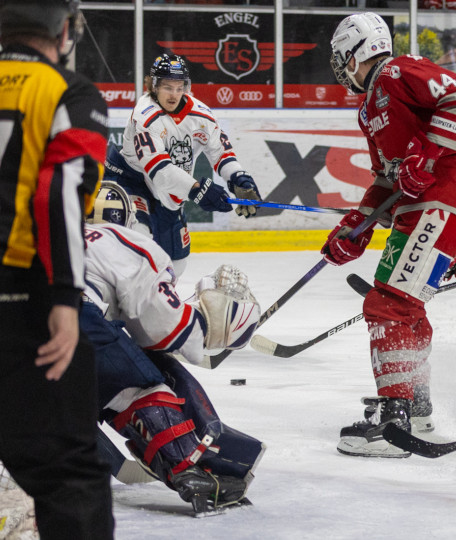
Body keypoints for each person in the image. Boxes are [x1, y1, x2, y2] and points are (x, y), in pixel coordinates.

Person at [324, 12, 456, 458]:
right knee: (404, 307)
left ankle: (395, 419)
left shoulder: (395, 72)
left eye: (342, 58)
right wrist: (355, 227)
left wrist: (427, 156)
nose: (340, 68)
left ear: (357, 51)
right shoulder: (368, 107)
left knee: (388, 305)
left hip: (444, 202)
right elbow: (385, 179)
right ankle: (415, 404)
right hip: (420, 210)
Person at [0, 1, 115, 538]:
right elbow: (58, 192)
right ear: (64, 29)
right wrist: (66, 300)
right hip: (22, 302)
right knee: (70, 475)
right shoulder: (67, 91)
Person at [83, 182, 265, 514]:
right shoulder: (126, 241)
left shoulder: (41, 230)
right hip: (64, 317)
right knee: (139, 384)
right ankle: (189, 469)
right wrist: (210, 327)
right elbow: (163, 329)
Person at [103, 53, 262, 276]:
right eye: (168, 87)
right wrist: (198, 190)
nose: (174, 94)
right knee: (138, 240)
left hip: (170, 192)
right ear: (154, 86)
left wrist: (239, 178)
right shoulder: (145, 115)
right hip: (130, 182)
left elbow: (221, 153)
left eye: (180, 87)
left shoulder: (202, 115)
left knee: (175, 263)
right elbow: (159, 171)